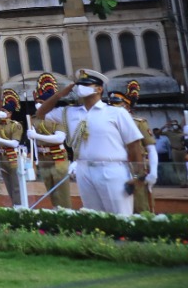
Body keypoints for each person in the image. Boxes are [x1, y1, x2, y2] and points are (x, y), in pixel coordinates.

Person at [35, 70, 146, 215]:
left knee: (120, 217)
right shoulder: (69, 112)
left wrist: (137, 176)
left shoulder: (116, 113)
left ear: (99, 89)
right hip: (84, 169)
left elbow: (134, 145)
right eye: (79, 84)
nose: (81, 87)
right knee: (93, 217)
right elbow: (40, 113)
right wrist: (59, 95)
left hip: (112, 168)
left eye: (87, 84)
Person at [107, 84, 157, 214]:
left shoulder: (138, 123)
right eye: (111, 104)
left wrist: (154, 172)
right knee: (117, 206)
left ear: (127, 106)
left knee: (141, 207)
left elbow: (151, 148)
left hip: (136, 168)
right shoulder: (105, 123)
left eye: (117, 104)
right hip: (114, 168)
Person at [26, 73, 71, 210]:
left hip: (57, 157)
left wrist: (36, 136)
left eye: (42, 102)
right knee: (51, 192)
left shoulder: (58, 117)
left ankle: (66, 216)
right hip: (43, 158)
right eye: (38, 101)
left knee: (62, 193)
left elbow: (59, 138)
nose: (39, 105)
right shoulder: (34, 119)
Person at [0, 90, 24, 207]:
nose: (1, 113)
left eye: (4, 111)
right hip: (1, 156)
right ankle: (14, 203)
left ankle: (19, 204)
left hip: (12, 157)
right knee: (8, 183)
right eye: (1, 110)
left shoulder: (15, 125)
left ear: (9, 113)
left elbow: (14, 143)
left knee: (15, 183)